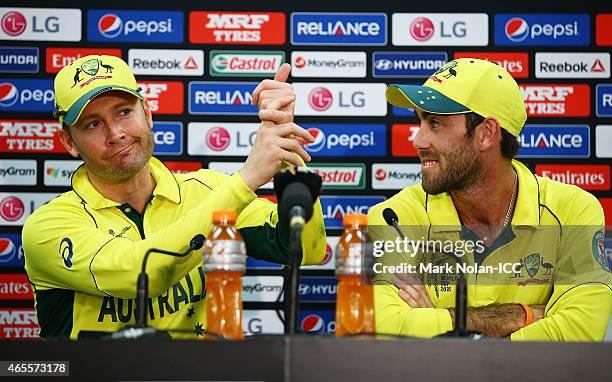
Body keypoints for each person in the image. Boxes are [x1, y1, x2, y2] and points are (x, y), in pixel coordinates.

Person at [22, 55, 326, 339]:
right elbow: (140, 274)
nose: (115, 133)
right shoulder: (49, 226)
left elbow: (304, 250)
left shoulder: (206, 191)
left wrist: (286, 156)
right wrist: (246, 179)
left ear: (148, 113)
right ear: (69, 142)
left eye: (124, 112)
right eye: (93, 124)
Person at [368, 58, 612, 340]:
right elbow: (381, 329)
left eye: (434, 123)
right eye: (420, 122)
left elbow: (580, 332)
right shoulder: (393, 216)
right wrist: (525, 315)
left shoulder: (573, 211)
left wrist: (439, 324)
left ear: (486, 134)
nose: (418, 140)